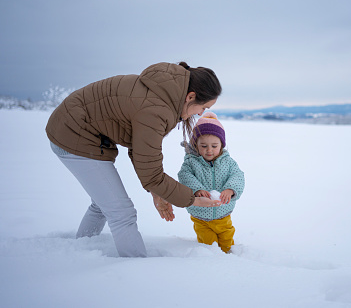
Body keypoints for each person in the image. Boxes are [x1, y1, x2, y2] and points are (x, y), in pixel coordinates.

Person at [46, 62, 223, 257]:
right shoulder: (157, 109)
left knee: (103, 203)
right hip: (74, 133)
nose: (200, 114)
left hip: (78, 130)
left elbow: (139, 149)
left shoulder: (161, 93)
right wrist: (192, 200)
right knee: (121, 212)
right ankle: (135, 269)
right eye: (203, 107)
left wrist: (156, 192)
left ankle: (81, 250)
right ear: (191, 96)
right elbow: (152, 174)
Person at [178, 112, 245, 253]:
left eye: (214, 146)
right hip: (201, 216)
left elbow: (238, 176)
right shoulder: (191, 162)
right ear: (195, 144)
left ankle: (230, 258)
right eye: (203, 146)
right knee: (208, 245)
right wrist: (196, 189)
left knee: (227, 240)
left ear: (221, 145)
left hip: (223, 213)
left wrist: (230, 189)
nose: (209, 150)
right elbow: (184, 176)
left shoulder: (228, 162)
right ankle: (212, 264)